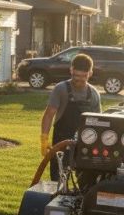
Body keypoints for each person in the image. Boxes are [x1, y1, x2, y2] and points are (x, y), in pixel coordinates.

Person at [39, 52, 101, 181]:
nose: (79, 79)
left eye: (83, 76)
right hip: (61, 142)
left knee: (86, 182)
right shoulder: (61, 89)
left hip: (85, 144)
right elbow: (49, 114)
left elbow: (98, 122)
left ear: (90, 73)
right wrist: (44, 138)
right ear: (71, 70)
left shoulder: (94, 94)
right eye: (76, 75)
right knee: (59, 181)